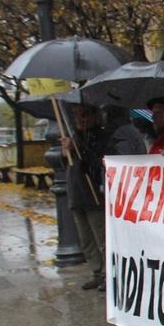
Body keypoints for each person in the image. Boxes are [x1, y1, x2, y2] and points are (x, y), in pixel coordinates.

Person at [62, 105, 110, 291]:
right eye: (76, 116)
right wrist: (65, 151)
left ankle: (107, 274)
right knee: (86, 239)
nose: (80, 119)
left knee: (101, 237)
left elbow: (98, 162)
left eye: (84, 115)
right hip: (77, 194)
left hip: (93, 195)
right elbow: (65, 164)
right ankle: (96, 272)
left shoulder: (100, 136)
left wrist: (78, 148)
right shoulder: (74, 137)